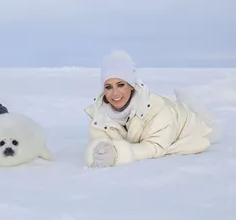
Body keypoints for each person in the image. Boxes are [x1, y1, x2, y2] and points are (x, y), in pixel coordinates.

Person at [84, 50, 220, 168]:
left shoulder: (157, 110)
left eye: (120, 85)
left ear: (131, 85)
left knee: (212, 131)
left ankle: (189, 102)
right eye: (108, 87)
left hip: (187, 125)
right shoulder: (99, 114)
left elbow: (155, 146)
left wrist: (118, 155)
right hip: (169, 112)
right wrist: (98, 152)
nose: (115, 93)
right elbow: (97, 141)